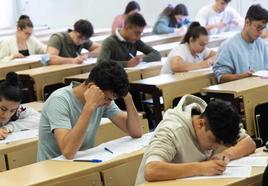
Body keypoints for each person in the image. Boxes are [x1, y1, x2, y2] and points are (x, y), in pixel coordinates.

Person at [135, 95, 256, 184]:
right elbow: (151, 170)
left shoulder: (219, 121)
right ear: (200, 124)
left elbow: (249, 143)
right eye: (214, 140)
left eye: (221, 143)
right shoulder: (172, 129)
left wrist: (226, 154)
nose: (216, 147)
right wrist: (201, 168)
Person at [37, 62, 143, 161]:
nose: (108, 103)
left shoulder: (104, 98)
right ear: (91, 87)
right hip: (54, 167)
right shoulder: (59, 101)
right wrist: (89, 105)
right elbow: (68, 152)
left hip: (82, 161)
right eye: (108, 99)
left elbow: (136, 132)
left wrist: (128, 98)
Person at [213, 4, 268, 83]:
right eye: (258, 27)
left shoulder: (261, 44)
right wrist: (242, 76)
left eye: (263, 28)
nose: (261, 32)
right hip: (239, 92)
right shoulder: (229, 46)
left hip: (259, 90)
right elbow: (221, 77)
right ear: (247, 22)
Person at [0, 72, 41, 140]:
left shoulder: (19, 109)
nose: (6, 115)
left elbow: (39, 119)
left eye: (12, 111)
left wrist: (7, 128)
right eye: (3, 109)